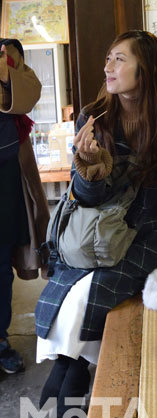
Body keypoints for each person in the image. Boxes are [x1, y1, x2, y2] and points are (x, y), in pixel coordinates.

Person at [34, 30, 157, 418]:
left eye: (119, 60)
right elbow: (89, 197)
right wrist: (88, 163)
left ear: (145, 70)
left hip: (148, 234)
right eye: (108, 59)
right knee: (69, 288)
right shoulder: (94, 117)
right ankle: (71, 371)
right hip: (98, 230)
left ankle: (68, 378)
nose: (108, 67)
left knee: (94, 291)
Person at [0, 39, 50, 375]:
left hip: (4, 174)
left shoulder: (8, 50)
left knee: (1, 262)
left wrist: (6, 76)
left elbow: (29, 94)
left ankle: (0, 340)